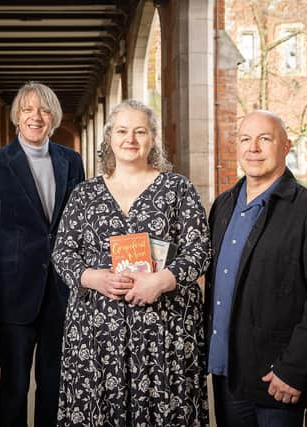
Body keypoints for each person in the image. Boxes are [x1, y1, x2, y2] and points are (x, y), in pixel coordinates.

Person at [52, 99, 212, 426]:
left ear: (153, 138)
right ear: (109, 138)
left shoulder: (177, 189)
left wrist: (162, 280)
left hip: (164, 333)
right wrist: (92, 277)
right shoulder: (85, 194)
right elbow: (63, 251)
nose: (131, 139)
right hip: (96, 335)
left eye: (140, 131)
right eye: (122, 131)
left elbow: (200, 249)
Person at [206, 110, 307, 426]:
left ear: (286, 146)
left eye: (265, 139)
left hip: (277, 380)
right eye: (245, 139)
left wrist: (294, 369)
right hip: (227, 374)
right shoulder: (223, 206)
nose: (253, 148)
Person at [0, 81, 84, 426]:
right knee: (14, 386)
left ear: (54, 118)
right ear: (16, 118)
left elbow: (78, 222)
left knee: (54, 385)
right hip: (13, 295)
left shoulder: (72, 161)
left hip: (61, 294)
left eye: (44, 110)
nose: (36, 116)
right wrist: (12, 267)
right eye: (28, 110)